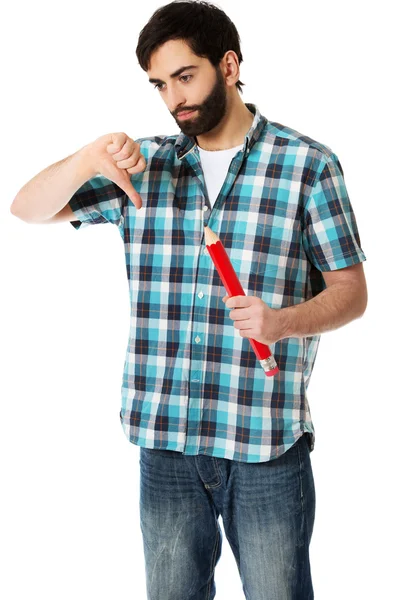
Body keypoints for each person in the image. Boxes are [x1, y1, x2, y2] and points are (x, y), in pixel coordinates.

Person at [10, 1, 368, 598]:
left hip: (264, 444)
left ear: (228, 66)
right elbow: (26, 208)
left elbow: (352, 293)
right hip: (166, 443)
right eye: (159, 85)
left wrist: (280, 322)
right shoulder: (140, 168)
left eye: (185, 76)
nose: (174, 98)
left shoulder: (308, 165)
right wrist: (87, 158)